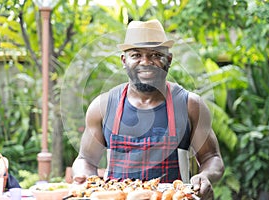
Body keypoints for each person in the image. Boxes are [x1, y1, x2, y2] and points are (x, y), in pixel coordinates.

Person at [72, 19, 224, 199]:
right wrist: (85, 177)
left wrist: (204, 176)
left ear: (169, 59)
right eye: (136, 55)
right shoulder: (103, 106)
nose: (146, 62)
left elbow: (211, 158)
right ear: (124, 60)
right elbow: (85, 159)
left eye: (155, 55)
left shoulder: (190, 105)